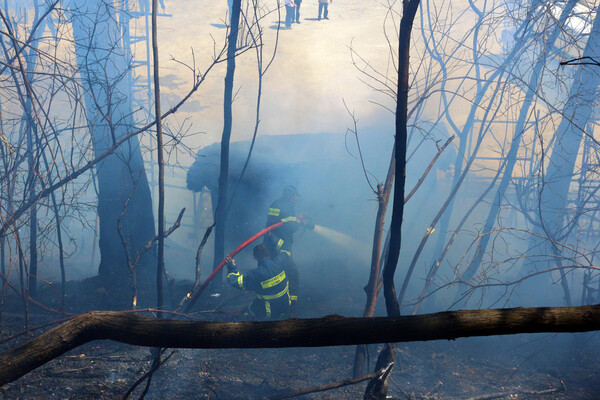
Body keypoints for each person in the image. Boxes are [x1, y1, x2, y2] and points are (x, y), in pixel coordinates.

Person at [264, 185, 314, 306]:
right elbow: (292, 227)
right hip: (281, 244)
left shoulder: (276, 203)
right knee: (291, 272)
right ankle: (291, 300)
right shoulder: (287, 205)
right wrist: (298, 222)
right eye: (295, 197)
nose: (296, 199)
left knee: (273, 271)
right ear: (289, 195)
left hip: (271, 242)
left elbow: (282, 222)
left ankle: (272, 298)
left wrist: (297, 219)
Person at [225, 244, 291, 320]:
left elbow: (235, 281)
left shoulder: (256, 274)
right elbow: (286, 250)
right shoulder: (280, 261)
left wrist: (231, 266)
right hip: (286, 306)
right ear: (268, 253)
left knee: (249, 309)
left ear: (255, 257)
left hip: (269, 311)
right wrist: (270, 237)